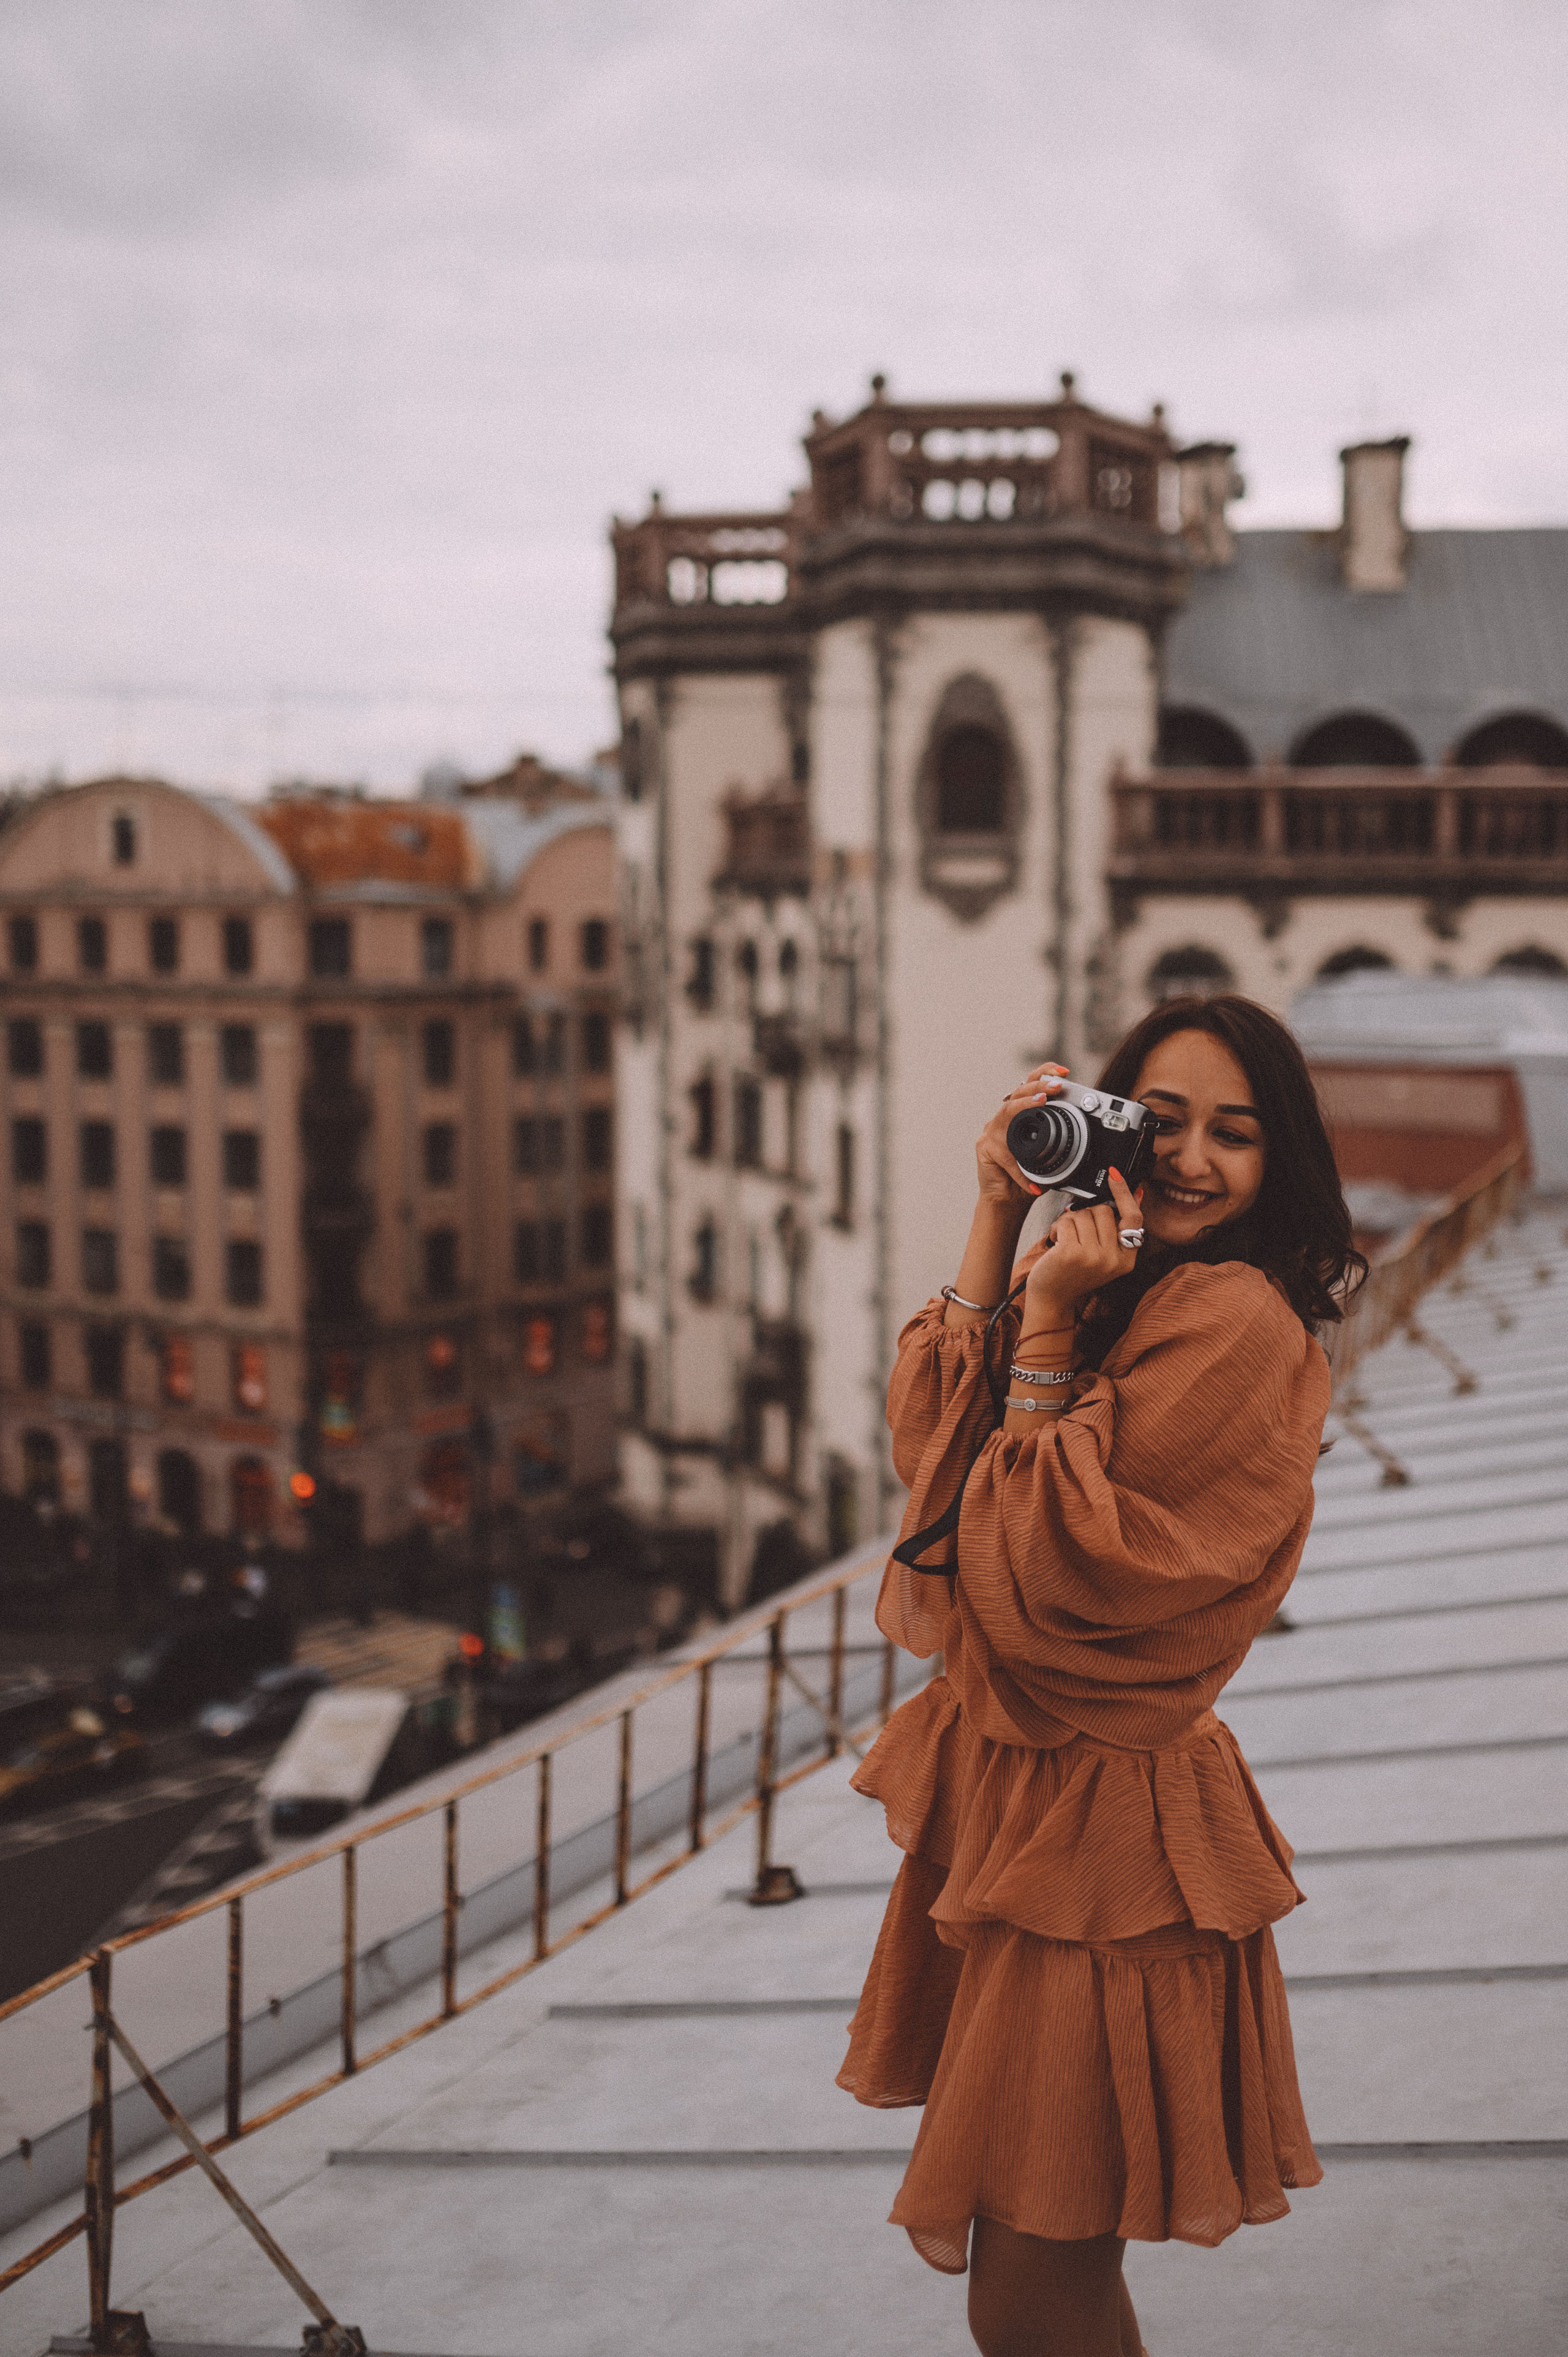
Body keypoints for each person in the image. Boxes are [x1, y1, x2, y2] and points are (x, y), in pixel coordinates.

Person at [838, 995, 1365, 2357]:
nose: (1191, 1158)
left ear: (1280, 1161)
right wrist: (999, 1219)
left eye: (1234, 1135)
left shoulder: (1238, 1321)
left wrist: (1051, 1333)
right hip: (1022, 1803)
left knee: (1027, 2276)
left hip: (1106, 1850)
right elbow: (930, 1463)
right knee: (1029, 2267)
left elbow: (1052, 1570)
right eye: (1162, 1119)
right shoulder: (1119, 1277)